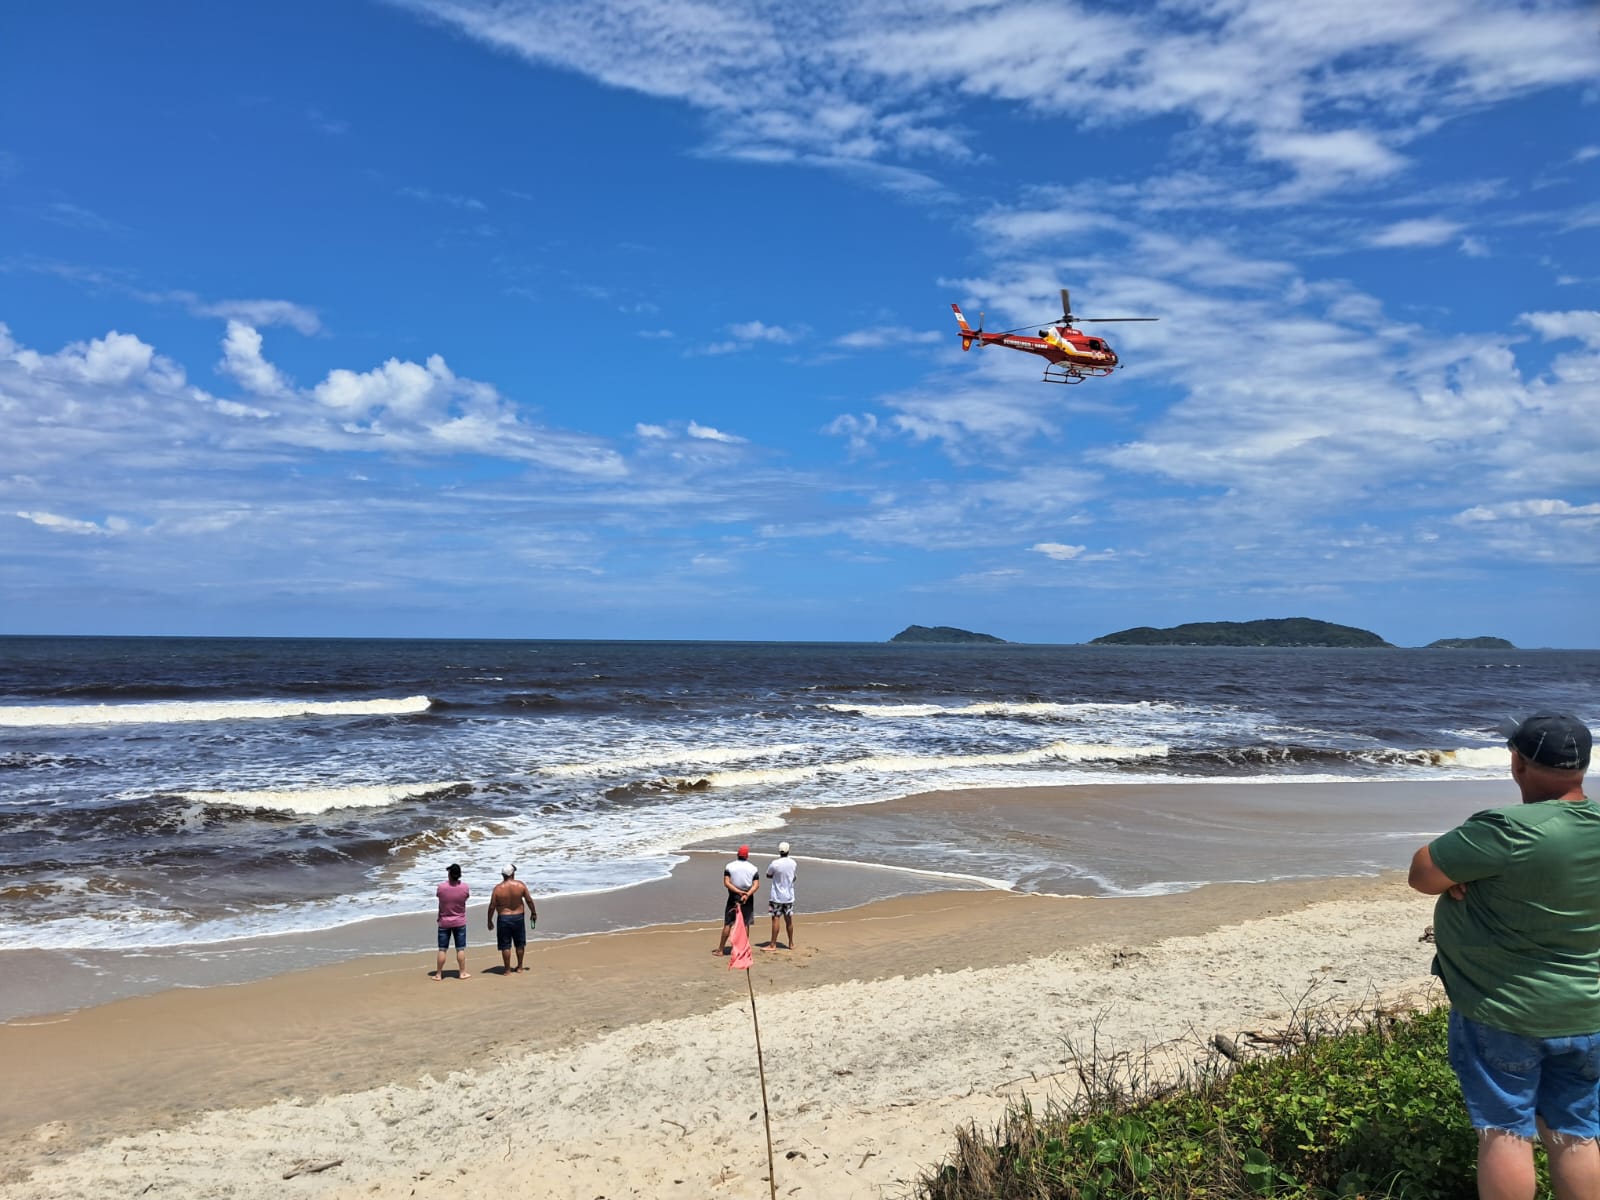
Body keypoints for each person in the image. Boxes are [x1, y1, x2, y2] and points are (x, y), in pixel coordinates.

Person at [1409, 712, 1599, 1200]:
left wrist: (1465, 879)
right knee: (1575, 1131)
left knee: (1505, 1130)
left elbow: (1423, 873)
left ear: (1517, 763)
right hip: (1587, 1009)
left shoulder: (1505, 830)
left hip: (1505, 1008)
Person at [487, 862, 538, 974]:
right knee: (520, 943)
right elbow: (529, 900)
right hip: (518, 917)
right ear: (512, 874)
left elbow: (492, 906)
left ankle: (507, 969)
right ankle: (519, 967)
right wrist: (533, 913)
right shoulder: (520, 885)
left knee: (505, 945)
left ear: (503, 875)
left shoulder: (498, 889)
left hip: (504, 918)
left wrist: (489, 920)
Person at [714, 844, 760, 956]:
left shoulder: (730, 866)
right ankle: (742, 949)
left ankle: (721, 949)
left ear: (738, 854)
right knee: (745, 924)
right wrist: (747, 894)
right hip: (747, 897)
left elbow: (726, 882)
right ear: (747, 856)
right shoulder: (753, 868)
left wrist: (738, 892)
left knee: (728, 923)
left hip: (733, 896)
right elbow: (756, 885)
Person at [433, 862, 471, 981]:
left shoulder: (441, 887)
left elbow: (439, 898)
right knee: (460, 948)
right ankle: (462, 972)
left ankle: (439, 974)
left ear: (450, 874)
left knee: (442, 949)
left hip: (444, 921)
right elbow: (465, 898)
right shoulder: (464, 887)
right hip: (459, 921)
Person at [765, 841, 797, 950]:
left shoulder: (775, 863)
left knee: (775, 919)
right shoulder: (793, 863)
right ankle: (791, 943)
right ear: (788, 851)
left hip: (777, 896)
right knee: (789, 920)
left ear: (779, 851)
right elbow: (794, 877)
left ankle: (773, 944)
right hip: (789, 896)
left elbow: (768, 875)